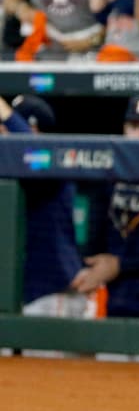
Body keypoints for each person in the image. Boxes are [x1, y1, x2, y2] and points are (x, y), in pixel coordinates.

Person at [73, 95, 139, 318]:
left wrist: (121, 265)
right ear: (124, 128)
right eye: (134, 126)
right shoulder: (109, 176)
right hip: (115, 302)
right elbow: (96, 240)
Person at [0, 94, 85, 319]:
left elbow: (33, 150)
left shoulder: (52, 162)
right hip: (20, 293)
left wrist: (7, 114)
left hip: (53, 294)